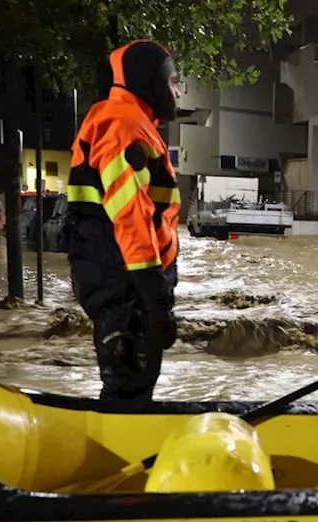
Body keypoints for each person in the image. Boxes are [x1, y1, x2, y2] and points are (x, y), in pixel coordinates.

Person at [63, 40, 183, 403]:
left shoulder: (128, 123)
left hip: (124, 286)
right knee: (128, 393)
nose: (177, 91)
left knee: (129, 388)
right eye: (174, 81)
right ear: (151, 80)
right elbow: (132, 216)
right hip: (127, 288)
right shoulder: (124, 126)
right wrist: (156, 299)